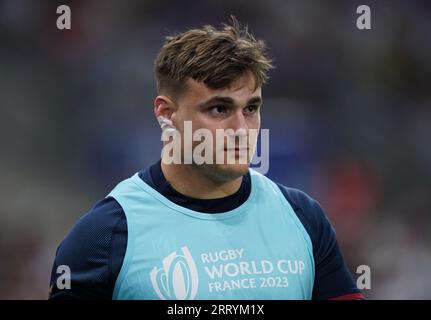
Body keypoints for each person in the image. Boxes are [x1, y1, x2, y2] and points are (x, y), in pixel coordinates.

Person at [49, 18, 364, 300]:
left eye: (251, 108)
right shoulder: (104, 237)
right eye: (219, 109)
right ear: (166, 113)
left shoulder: (303, 218)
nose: (241, 129)